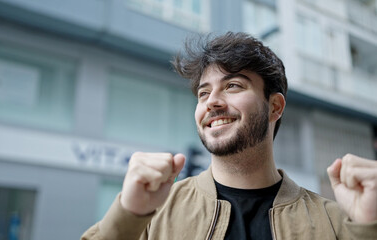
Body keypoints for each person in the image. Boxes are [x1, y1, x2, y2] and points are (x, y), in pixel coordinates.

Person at [81, 32, 377, 239]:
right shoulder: (153, 213)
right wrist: (128, 214)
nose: (211, 102)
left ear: (275, 106)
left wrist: (369, 228)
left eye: (233, 85)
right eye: (203, 93)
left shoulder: (336, 222)